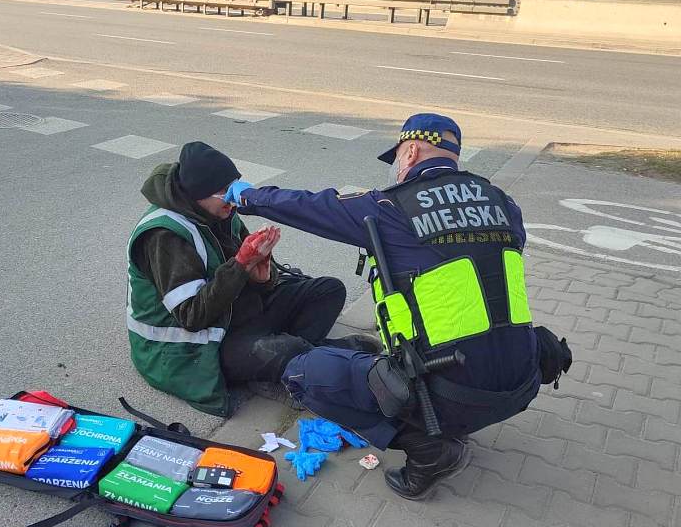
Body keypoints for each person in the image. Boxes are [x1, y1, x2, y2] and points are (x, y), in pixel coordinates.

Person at [224, 114, 572, 499]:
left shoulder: (392, 207)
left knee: (304, 372)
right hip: (522, 380)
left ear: (410, 150)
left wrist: (247, 197)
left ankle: (430, 450)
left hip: (450, 389)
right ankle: (449, 423)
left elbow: (311, 207)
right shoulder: (503, 202)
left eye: (398, 157)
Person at [127, 141, 379, 418]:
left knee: (328, 290)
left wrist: (262, 277)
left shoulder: (221, 212)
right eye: (224, 191)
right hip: (194, 347)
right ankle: (301, 360)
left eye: (234, 185)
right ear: (197, 194)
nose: (233, 197)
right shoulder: (165, 235)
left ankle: (292, 360)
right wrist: (241, 265)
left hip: (236, 314)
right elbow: (192, 317)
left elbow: (248, 279)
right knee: (286, 347)